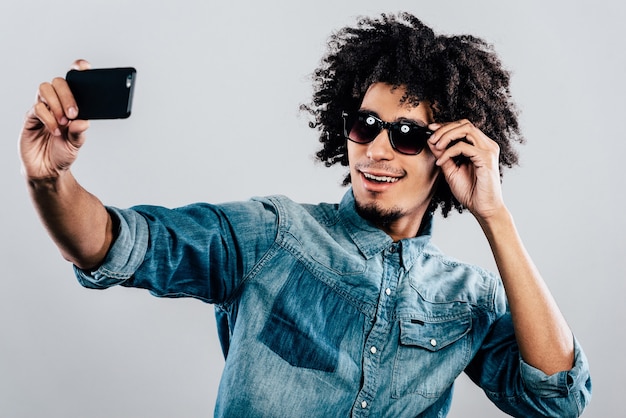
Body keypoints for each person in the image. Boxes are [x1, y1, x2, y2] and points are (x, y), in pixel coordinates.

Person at [19, 12, 591, 418]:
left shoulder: (468, 300)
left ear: (450, 153)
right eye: (365, 125)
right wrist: (50, 179)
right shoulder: (274, 234)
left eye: (408, 135)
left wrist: (494, 214)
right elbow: (120, 245)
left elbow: (558, 399)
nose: (377, 149)